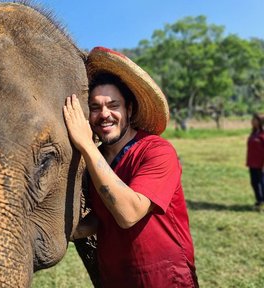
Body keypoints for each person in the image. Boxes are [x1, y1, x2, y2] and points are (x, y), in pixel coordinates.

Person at [63, 47, 198, 287]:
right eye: (95, 108)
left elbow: (128, 213)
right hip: (114, 278)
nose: (104, 114)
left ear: (130, 110)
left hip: (164, 279)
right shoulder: (95, 159)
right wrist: (66, 230)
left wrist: (86, 145)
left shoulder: (156, 151)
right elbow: (104, 216)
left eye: (113, 105)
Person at [246, 113, 264, 210]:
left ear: (260, 122)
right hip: (252, 162)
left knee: (261, 182)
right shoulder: (254, 133)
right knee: (254, 182)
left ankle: (262, 201)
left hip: (260, 163)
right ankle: (259, 200)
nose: (252, 121)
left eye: (255, 120)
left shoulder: (262, 134)